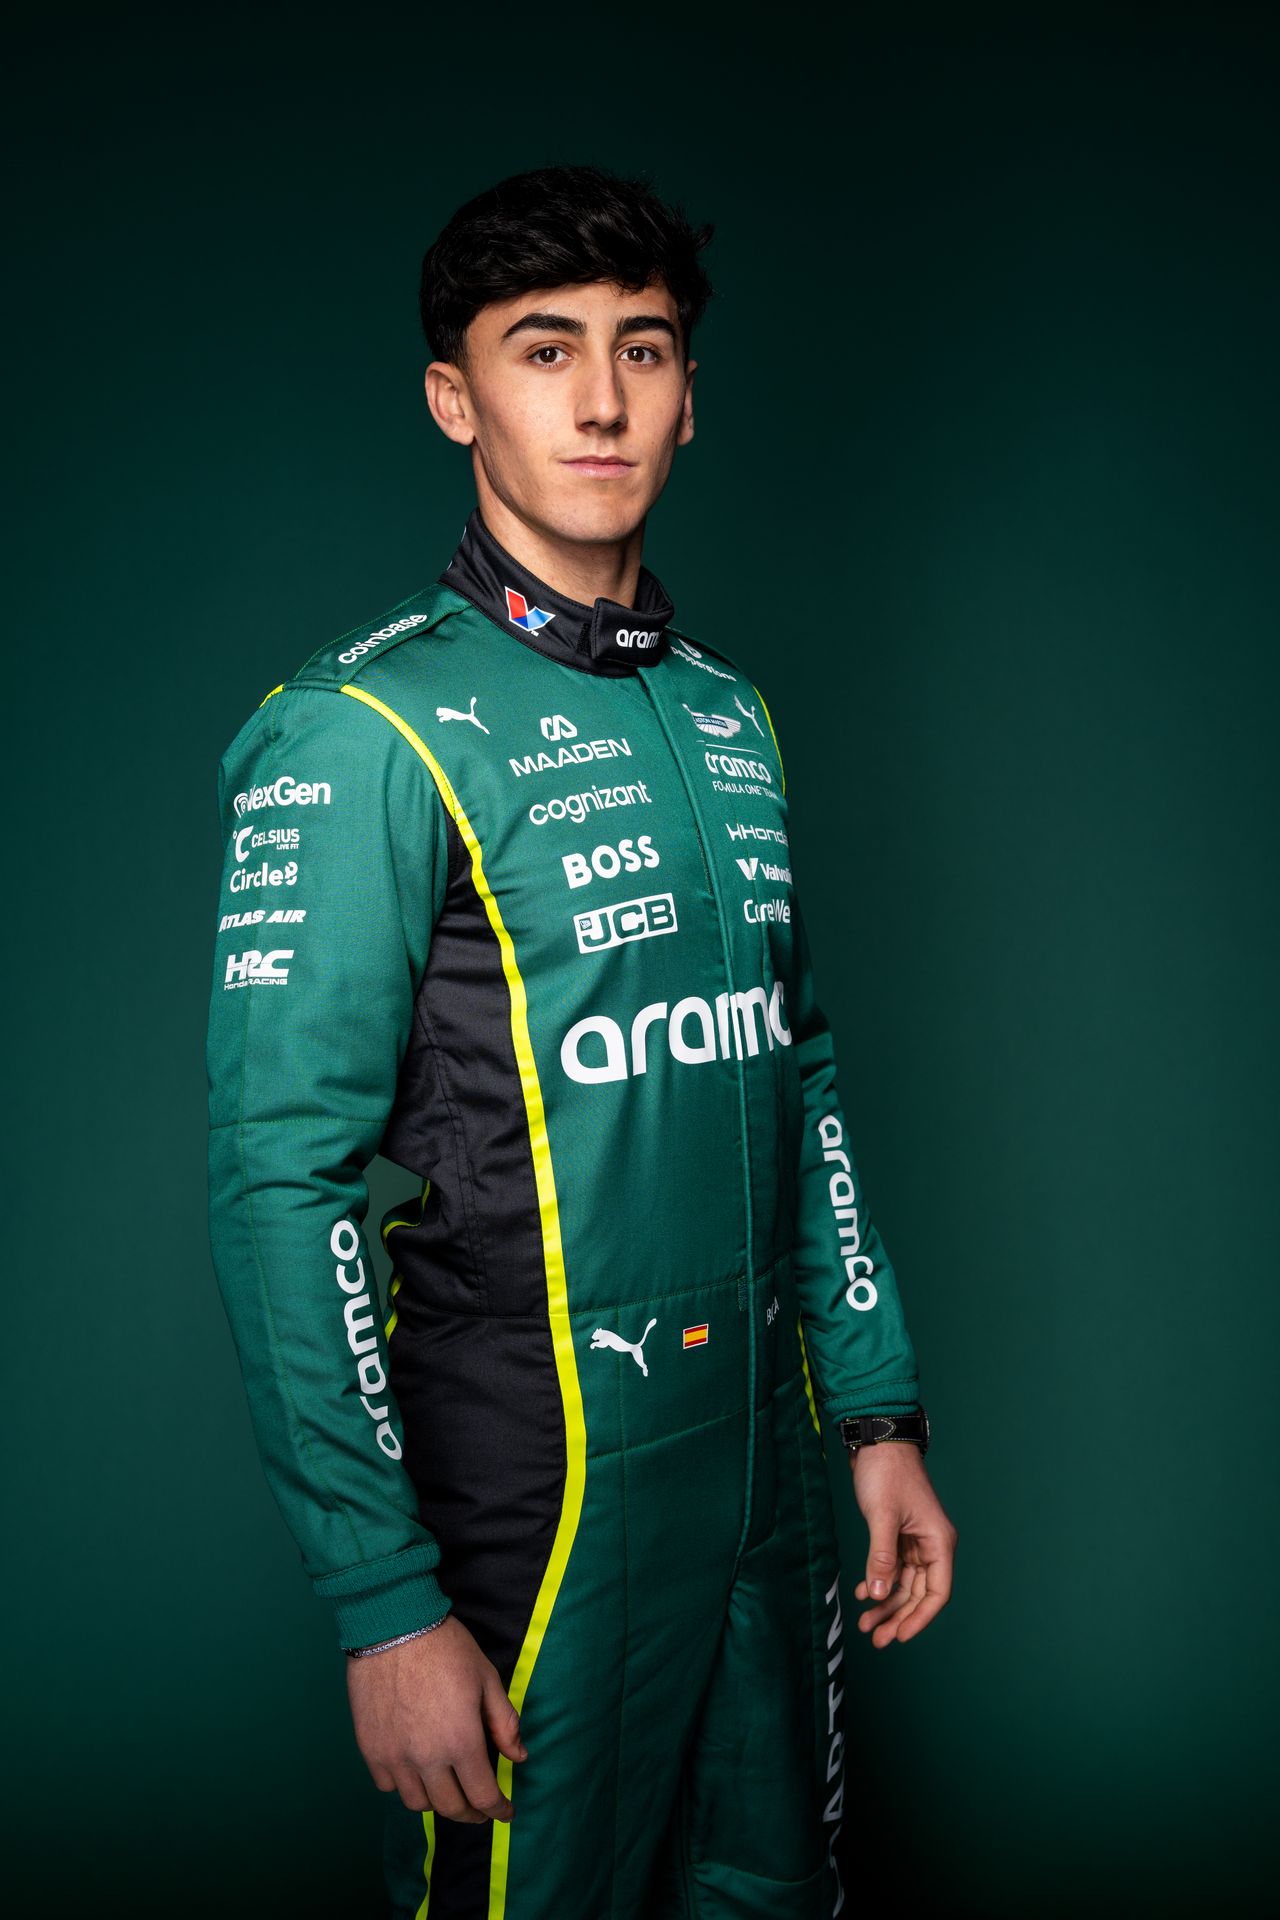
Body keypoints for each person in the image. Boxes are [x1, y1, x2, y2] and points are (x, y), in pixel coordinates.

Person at [206, 162, 958, 1920]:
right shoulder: (361, 727)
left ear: (691, 396)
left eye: (645, 348)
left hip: (762, 1467)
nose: (603, 399)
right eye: (545, 351)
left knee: (767, 1892)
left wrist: (876, 1416)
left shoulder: (730, 713)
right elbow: (279, 1179)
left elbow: (795, 1066)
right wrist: (383, 1604)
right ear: (455, 398)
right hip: (533, 1474)